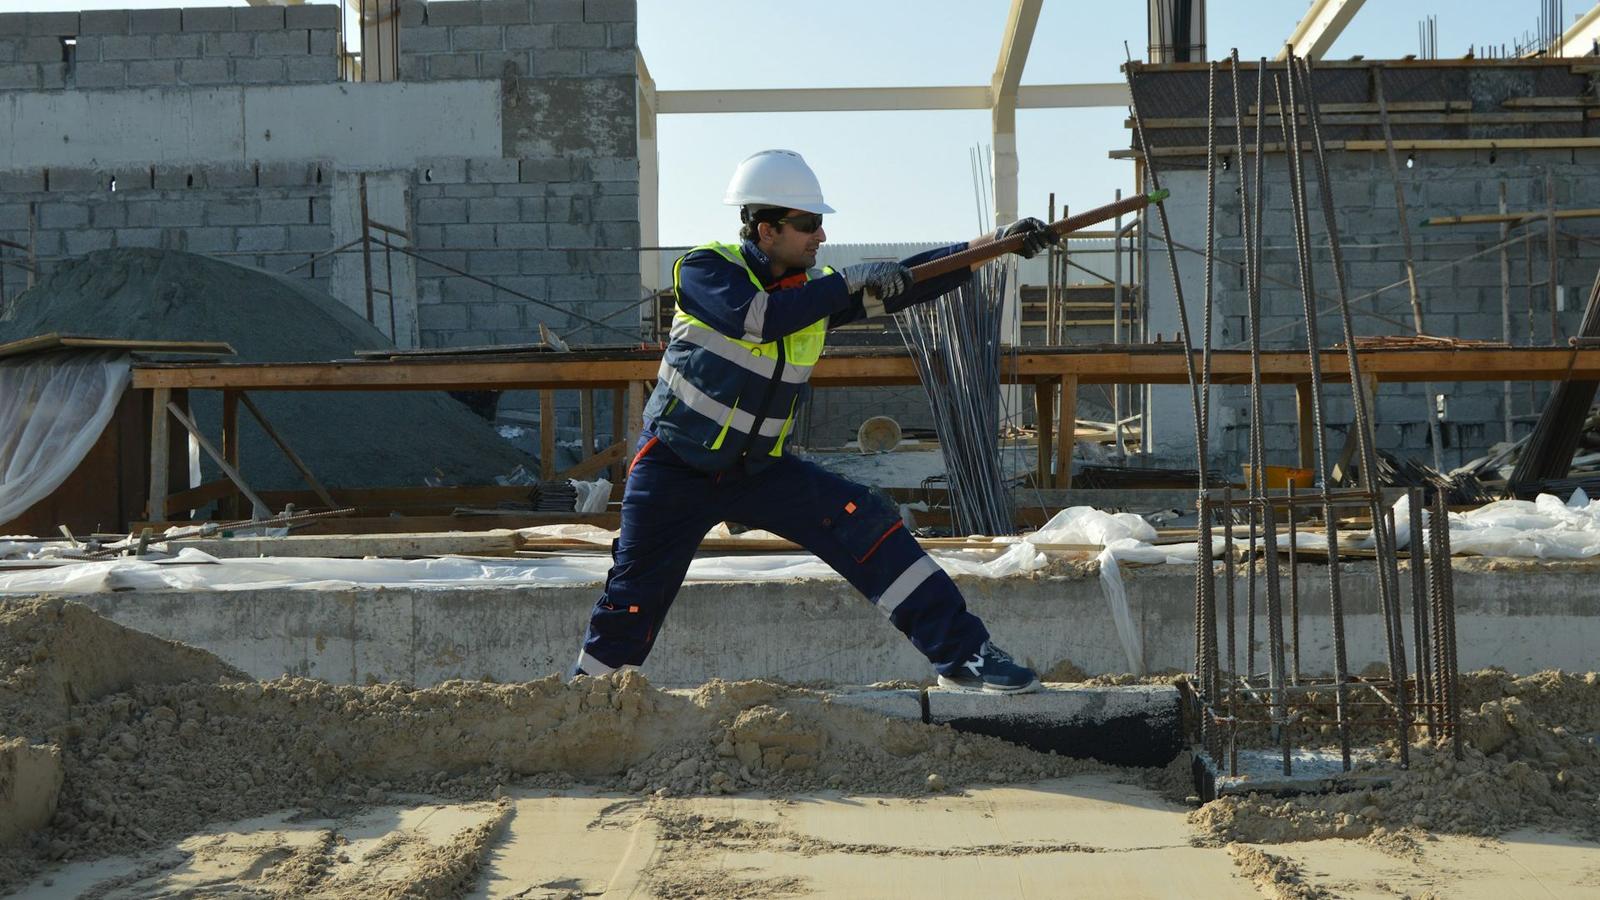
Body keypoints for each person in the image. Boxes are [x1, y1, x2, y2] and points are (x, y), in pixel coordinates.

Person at [572, 149, 1058, 693]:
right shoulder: (706, 270)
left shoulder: (812, 291)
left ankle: (966, 657)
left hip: (757, 470)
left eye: (821, 225)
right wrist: (847, 282)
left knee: (866, 521)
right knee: (634, 596)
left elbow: (913, 281)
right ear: (766, 229)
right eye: (808, 225)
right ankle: (588, 700)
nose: (820, 236)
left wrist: (994, 245)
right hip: (672, 469)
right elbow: (758, 320)